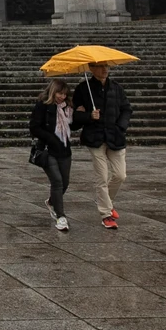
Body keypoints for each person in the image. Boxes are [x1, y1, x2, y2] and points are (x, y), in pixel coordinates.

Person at [73, 60, 132, 229]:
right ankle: (106, 214)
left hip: (115, 137)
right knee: (102, 177)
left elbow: (126, 109)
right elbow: (75, 116)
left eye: (106, 66)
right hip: (95, 138)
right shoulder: (83, 89)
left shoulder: (117, 88)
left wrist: (121, 126)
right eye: (100, 66)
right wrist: (90, 116)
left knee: (121, 175)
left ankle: (106, 200)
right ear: (91, 69)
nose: (105, 69)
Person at [28, 79, 75, 232]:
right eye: (59, 93)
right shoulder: (43, 105)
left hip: (64, 149)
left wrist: (86, 115)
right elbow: (34, 127)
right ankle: (61, 217)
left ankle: (51, 201)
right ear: (53, 91)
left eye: (64, 94)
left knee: (65, 182)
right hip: (48, 149)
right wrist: (51, 138)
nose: (62, 97)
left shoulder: (67, 108)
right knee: (57, 181)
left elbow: (73, 125)